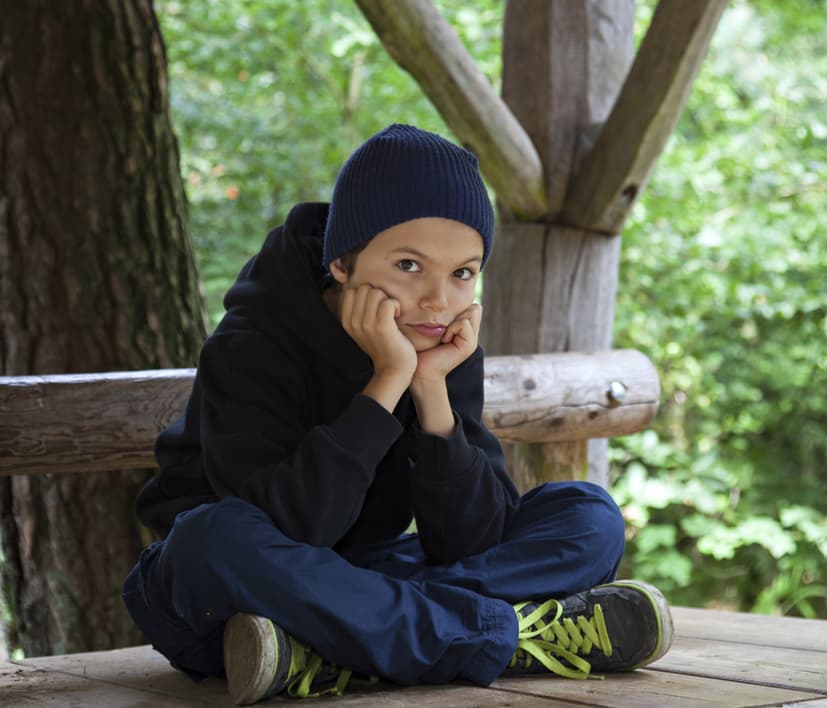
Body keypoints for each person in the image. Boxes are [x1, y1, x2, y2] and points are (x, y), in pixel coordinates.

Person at [122, 123, 673, 705]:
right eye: (409, 265)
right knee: (211, 537)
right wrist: (388, 380)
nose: (438, 299)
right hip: (231, 596)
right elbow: (295, 530)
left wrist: (431, 389)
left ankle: (344, 648)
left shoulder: (440, 343)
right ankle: (496, 637)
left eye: (462, 273)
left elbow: (471, 542)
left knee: (589, 516)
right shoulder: (252, 343)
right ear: (342, 262)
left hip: (361, 583)